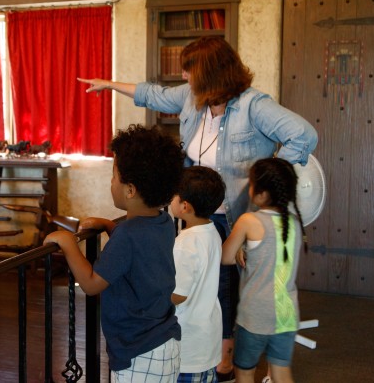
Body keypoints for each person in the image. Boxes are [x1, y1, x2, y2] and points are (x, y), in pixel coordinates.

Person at [78, 35, 318, 381]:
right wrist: (109, 84)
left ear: (210, 73)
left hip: (236, 213)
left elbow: (304, 136)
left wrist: (267, 178)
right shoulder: (193, 100)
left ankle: (226, 353)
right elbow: (154, 94)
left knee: (229, 285)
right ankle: (210, 350)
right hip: (200, 209)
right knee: (204, 280)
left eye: (189, 71)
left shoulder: (253, 105)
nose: (185, 77)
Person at [45, 124, 185, 383]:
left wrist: (68, 243)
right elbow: (139, 251)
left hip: (138, 353)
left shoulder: (128, 235)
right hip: (164, 341)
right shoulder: (163, 222)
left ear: (130, 190)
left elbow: (90, 284)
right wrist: (111, 227)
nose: (111, 182)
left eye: (114, 175)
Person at [221, 158, 304, 383]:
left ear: (262, 193)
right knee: (281, 371)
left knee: (245, 372)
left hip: (255, 315)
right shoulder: (295, 223)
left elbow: (226, 257)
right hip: (287, 314)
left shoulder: (249, 220)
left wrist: (239, 246)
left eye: (250, 184)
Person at [170, 166, 225, 383]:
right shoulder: (211, 231)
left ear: (185, 206)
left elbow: (178, 295)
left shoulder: (185, 243)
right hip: (207, 336)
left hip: (189, 343)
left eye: (174, 195)